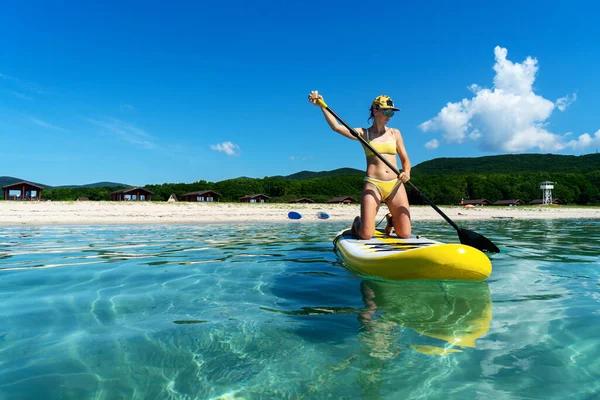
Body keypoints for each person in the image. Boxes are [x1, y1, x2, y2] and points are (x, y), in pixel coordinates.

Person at [308, 91, 411, 239]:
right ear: (376, 111)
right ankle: (358, 222)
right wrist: (322, 106)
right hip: (374, 184)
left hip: (395, 185)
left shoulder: (395, 133)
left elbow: (405, 160)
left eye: (392, 113)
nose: (389, 116)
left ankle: (390, 222)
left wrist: (406, 172)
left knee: (405, 234)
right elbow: (337, 128)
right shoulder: (364, 134)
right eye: (386, 112)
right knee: (366, 235)